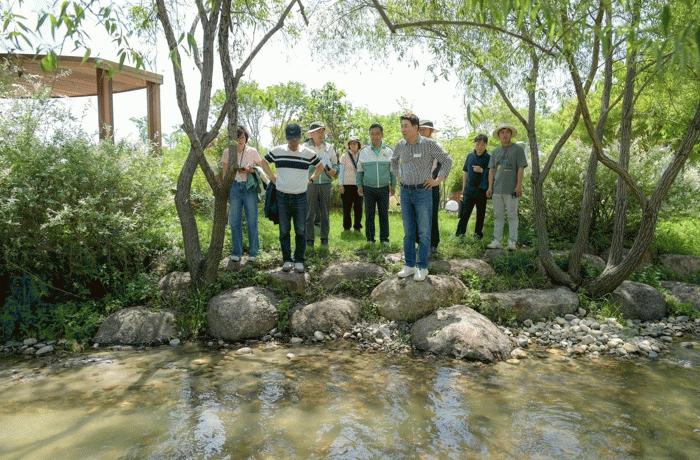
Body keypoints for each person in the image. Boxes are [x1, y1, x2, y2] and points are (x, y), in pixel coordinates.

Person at [391, 113, 452, 281]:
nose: (403, 129)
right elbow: (393, 161)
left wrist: (437, 180)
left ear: (415, 127)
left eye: (406, 126)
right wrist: (398, 175)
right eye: (402, 126)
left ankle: (422, 267)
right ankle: (409, 265)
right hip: (405, 192)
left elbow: (447, 160)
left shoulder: (429, 144)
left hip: (423, 192)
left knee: (424, 231)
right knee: (408, 231)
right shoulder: (400, 145)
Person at [260, 123, 324, 273]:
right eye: (290, 139)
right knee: (284, 230)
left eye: (295, 138)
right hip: (282, 196)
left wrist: (311, 180)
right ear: (286, 138)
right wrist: (272, 177)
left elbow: (320, 166)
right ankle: (287, 259)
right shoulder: (278, 151)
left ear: (300, 137)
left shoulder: (308, 153)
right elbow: (263, 162)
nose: (293, 142)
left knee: (300, 230)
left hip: (300, 197)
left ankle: (299, 259)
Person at [221, 126, 262, 263]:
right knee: (235, 221)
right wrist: (226, 191)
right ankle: (236, 252)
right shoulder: (227, 152)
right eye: (238, 137)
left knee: (252, 220)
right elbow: (225, 173)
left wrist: (251, 170)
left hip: (249, 187)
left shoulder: (252, 151)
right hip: (234, 187)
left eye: (243, 137)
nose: (240, 140)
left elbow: (261, 168)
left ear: (246, 138)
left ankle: (254, 252)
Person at [486, 123, 528, 250]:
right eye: (502, 132)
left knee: (512, 216)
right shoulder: (495, 151)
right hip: (497, 189)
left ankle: (512, 241)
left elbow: (521, 168)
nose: (505, 135)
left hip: (512, 190)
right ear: (499, 135)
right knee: (498, 216)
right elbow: (491, 170)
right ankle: (497, 241)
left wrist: (519, 186)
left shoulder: (518, 149)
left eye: (507, 132)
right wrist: (490, 187)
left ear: (511, 134)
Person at [357, 123, 396, 245]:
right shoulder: (364, 151)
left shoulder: (389, 151)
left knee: (384, 214)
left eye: (377, 134)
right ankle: (370, 239)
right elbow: (359, 170)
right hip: (368, 188)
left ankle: (384, 239)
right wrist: (359, 185)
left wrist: (393, 185)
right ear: (369, 135)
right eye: (372, 134)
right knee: (369, 215)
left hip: (384, 188)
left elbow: (393, 170)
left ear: (382, 134)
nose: (375, 137)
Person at [303, 121, 339, 248]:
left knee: (325, 214)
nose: (321, 134)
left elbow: (336, 165)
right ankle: (309, 241)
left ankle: (324, 240)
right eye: (318, 131)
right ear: (311, 134)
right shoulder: (304, 147)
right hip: (310, 184)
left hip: (326, 184)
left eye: (322, 131)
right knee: (309, 213)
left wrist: (334, 171)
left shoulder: (329, 147)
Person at [456, 134, 490, 239]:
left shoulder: (489, 157)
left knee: (480, 214)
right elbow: (465, 172)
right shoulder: (470, 156)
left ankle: (478, 236)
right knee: (465, 213)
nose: (480, 147)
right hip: (469, 189)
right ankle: (460, 235)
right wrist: (464, 188)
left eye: (482, 144)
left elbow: (493, 174)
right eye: (478, 144)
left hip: (482, 190)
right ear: (475, 144)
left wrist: (482, 170)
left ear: (486, 145)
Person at [418, 120, 442, 254]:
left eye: (425, 129)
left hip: (432, 184)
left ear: (431, 131)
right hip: (417, 185)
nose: (422, 132)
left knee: (432, 214)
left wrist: (434, 178)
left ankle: (433, 243)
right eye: (420, 129)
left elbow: (443, 164)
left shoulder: (437, 146)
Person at [339, 136, 363, 232]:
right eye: (351, 143)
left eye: (355, 143)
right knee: (347, 207)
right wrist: (340, 185)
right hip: (347, 185)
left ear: (358, 145)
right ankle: (346, 227)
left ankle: (357, 226)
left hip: (359, 185)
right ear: (348, 145)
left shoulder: (362, 156)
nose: (353, 145)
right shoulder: (344, 156)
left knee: (359, 207)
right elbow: (341, 172)